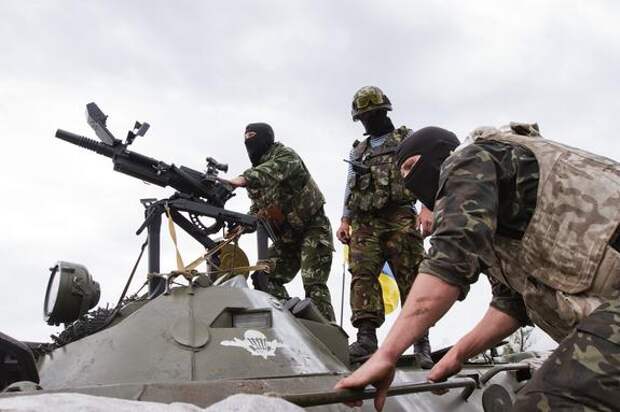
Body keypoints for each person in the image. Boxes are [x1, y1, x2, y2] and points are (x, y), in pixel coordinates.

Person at [335, 123, 620, 411]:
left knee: (547, 403)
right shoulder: (497, 228)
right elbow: (511, 305)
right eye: (402, 174)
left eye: (411, 166)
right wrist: (459, 354)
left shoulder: (469, 159)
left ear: (439, 154)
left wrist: (387, 354)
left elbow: (449, 260)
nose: (409, 181)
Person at [336, 86, 434, 367]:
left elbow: (425, 172)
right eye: (364, 117)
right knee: (362, 276)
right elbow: (351, 186)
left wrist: (427, 206)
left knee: (412, 277)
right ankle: (366, 338)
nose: (368, 120)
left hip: (400, 217)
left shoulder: (406, 139)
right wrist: (345, 219)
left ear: (384, 112)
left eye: (373, 114)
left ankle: (420, 340)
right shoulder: (358, 150)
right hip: (365, 222)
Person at [227, 122, 336, 321]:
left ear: (265, 138)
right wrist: (240, 226)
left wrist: (243, 178)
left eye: (252, 136)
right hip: (286, 239)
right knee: (264, 275)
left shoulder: (285, 156)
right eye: (246, 138)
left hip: (313, 229)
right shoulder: (256, 175)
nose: (248, 142)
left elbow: (273, 170)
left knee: (313, 282)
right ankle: (289, 320)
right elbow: (258, 211)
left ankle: (326, 330)